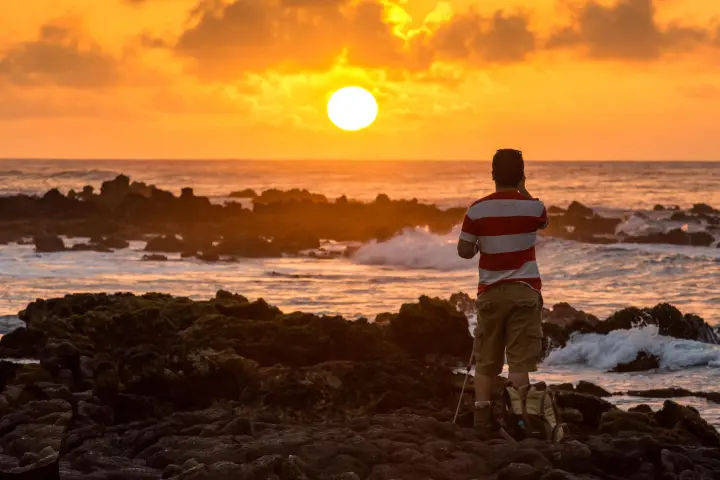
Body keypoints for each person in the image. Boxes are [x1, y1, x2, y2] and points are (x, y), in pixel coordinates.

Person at [456, 148, 548, 432]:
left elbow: (464, 252)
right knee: (519, 362)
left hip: (492, 293)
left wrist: (482, 244)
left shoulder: (477, 209)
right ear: (521, 174)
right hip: (524, 290)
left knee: (486, 361)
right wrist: (523, 189)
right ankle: (522, 420)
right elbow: (542, 222)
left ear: (492, 174)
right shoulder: (535, 207)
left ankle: (481, 421)